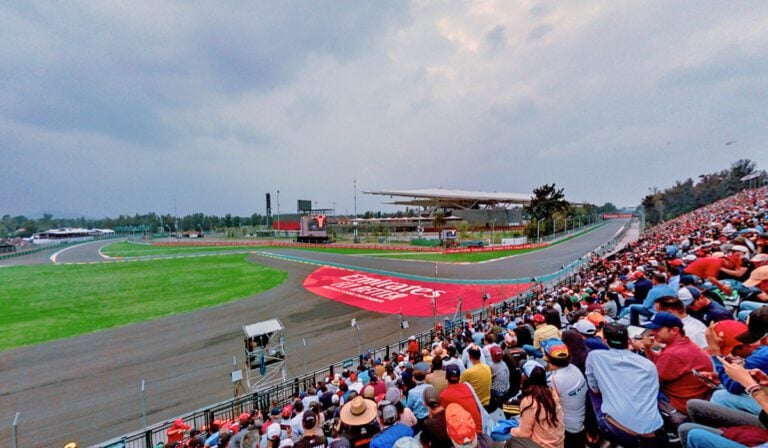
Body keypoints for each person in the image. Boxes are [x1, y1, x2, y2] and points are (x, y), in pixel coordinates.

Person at [585, 323, 667, 447]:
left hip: (620, 429)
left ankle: (593, 433)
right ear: (629, 340)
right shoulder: (648, 365)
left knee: (591, 393)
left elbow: (595, 390)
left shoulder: (594, 357)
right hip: (654, 429)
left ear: (605, 341)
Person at [638, 312, 714, 414]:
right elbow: (658, 362)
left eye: (657, 329)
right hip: (696, 397)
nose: (652, 332)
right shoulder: (684, 343)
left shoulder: (673, 354)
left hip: (680, 403)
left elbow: (653, 382)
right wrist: (647, 347)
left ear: (674, 330)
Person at [541, 338, 587, 448]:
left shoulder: (553, 380)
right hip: (581, 421)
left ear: (547, 357)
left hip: (568, 429)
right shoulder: (574, 368)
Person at [509, 361, 565, 448]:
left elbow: (524, 434)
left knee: (499, 435)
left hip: (540, 445)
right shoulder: (551, 391)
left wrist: (511, 430)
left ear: (526, 378)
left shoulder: (529, 401)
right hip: (558, 444)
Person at [440, 364, 483, 434]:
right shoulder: (467, 387)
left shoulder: (444, 395)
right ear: (459, 376)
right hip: (480, 428)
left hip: (468, 433)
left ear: (446, 377)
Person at [460, 344, 492, 410]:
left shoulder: (468, 372)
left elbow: (459, 385)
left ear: (469, 357)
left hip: (477, 404)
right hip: (487, 401)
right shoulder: (487, 367)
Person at [488, 345, 510, 412]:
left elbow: (490, 380)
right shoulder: (504, 363)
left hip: (498, 392)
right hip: (507, 388)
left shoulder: (492, 366)